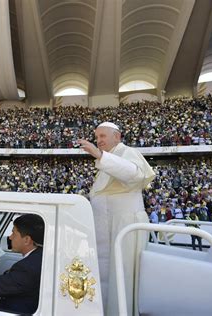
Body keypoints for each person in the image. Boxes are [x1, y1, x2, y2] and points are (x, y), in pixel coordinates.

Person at [77, 122, 155, 316]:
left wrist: (100, 155)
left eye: (103, 136)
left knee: (123, 275)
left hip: (124, 225)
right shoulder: (108, 160)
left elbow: (134, 174)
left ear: (117, 137)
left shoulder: (128, 152)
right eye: (97, 137)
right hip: (107, 227)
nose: (99, 141)